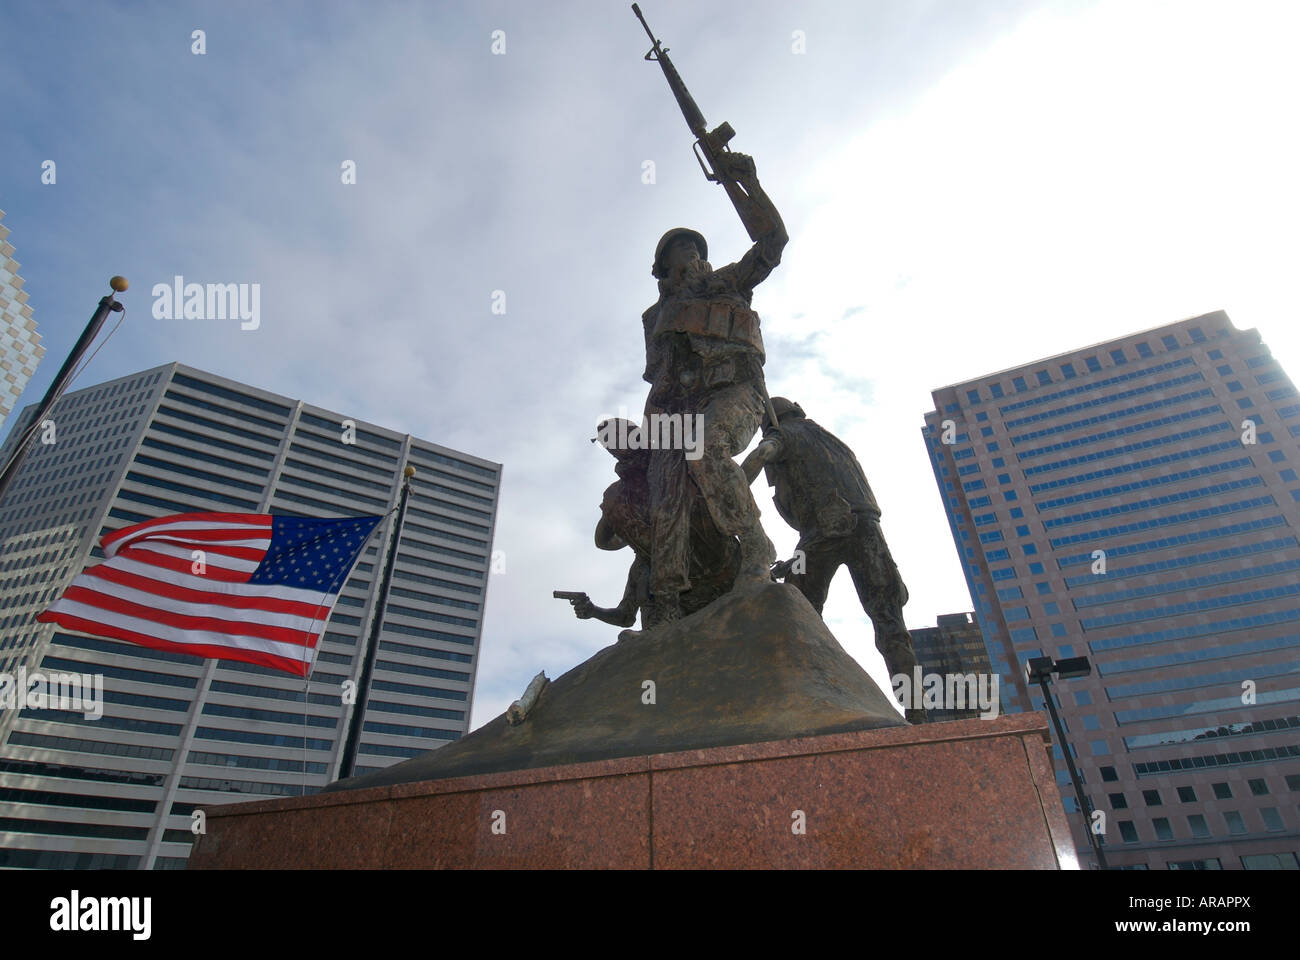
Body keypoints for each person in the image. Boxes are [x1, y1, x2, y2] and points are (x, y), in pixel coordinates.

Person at [640, 150, 787, 626]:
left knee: (706, 445)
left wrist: (749, 183)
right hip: (681, 408)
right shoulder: (654, 318)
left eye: (697, 248)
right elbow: (660, 377)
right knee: (665, 497)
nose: (695, 255)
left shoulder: (727, 282)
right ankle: (667, 602)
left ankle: (756, 546)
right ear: (665, 268)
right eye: (683, 251)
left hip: (737, 392)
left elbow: (772, 242)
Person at [741, 398, 927, 722]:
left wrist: (730, 488)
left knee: (794, 612)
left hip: (821, 533)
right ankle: (918, 713)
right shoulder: (836, 443)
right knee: (891, 624)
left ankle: (816, 701)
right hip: (869, 532)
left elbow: (761, 455)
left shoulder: (786, 435)